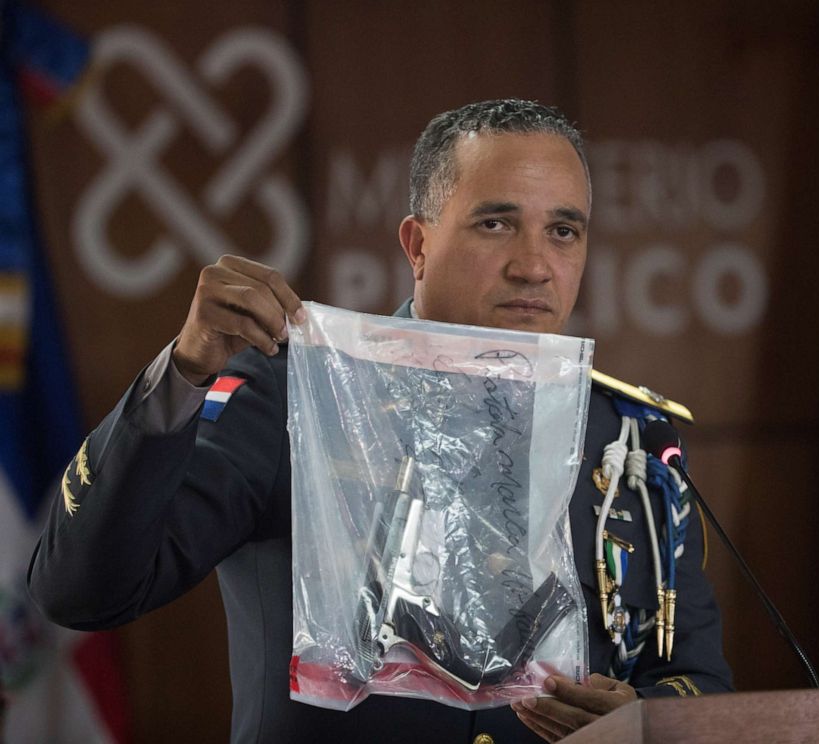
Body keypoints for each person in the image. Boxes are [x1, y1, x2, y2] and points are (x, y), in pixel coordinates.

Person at [29, 99, 732, 743]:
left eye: (563, 230)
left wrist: (643, 724)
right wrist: (179, 375)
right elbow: (81, 591)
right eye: (496, 223)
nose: (534, 266)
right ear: (417, 245)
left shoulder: (625, 435)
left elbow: (696, 677)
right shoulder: (293, 396)